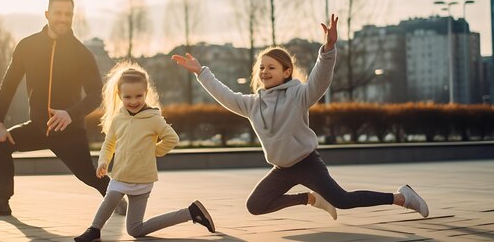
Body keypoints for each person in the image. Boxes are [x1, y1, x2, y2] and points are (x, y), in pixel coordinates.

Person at [172, 14, 429, 221]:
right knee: (255, 205)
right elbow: (224, 95)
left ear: (286, 72)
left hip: (307, 164)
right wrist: (201, 73)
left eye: (271, 67)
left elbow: (320, 80)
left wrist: (328, 50)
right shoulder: (252, 104)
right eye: (261, 67)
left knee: (343, 200)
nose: (264, 71)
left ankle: (402, 197)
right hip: (281, 170)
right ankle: (308, 199)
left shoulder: (298, 96)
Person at [0, 0, 126, 216]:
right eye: (58, 13)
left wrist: (70, 114)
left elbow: (95, 95)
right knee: (1, 144)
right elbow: (8, 85)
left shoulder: (82, 54)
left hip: (68, 130)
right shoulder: (27, 46)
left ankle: (115, 197)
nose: (63, 18)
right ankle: (2, 201)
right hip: (38, 127)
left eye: (68, 14)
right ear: (47, 14)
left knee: (88, 175)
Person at [74, 63, 215, 242]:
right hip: (120, 175)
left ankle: (190, 213)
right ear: (119, 95)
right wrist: (103, 161)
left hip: (142, 179)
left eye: (139, 96)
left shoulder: (153, 118)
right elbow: (109, 144)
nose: (134, 101)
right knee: (110, 200)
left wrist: (153, 152)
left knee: (135, 229)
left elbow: (172, 139)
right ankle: (94, 230)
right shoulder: (118, 119)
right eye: (128, 97)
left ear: (146, 92)